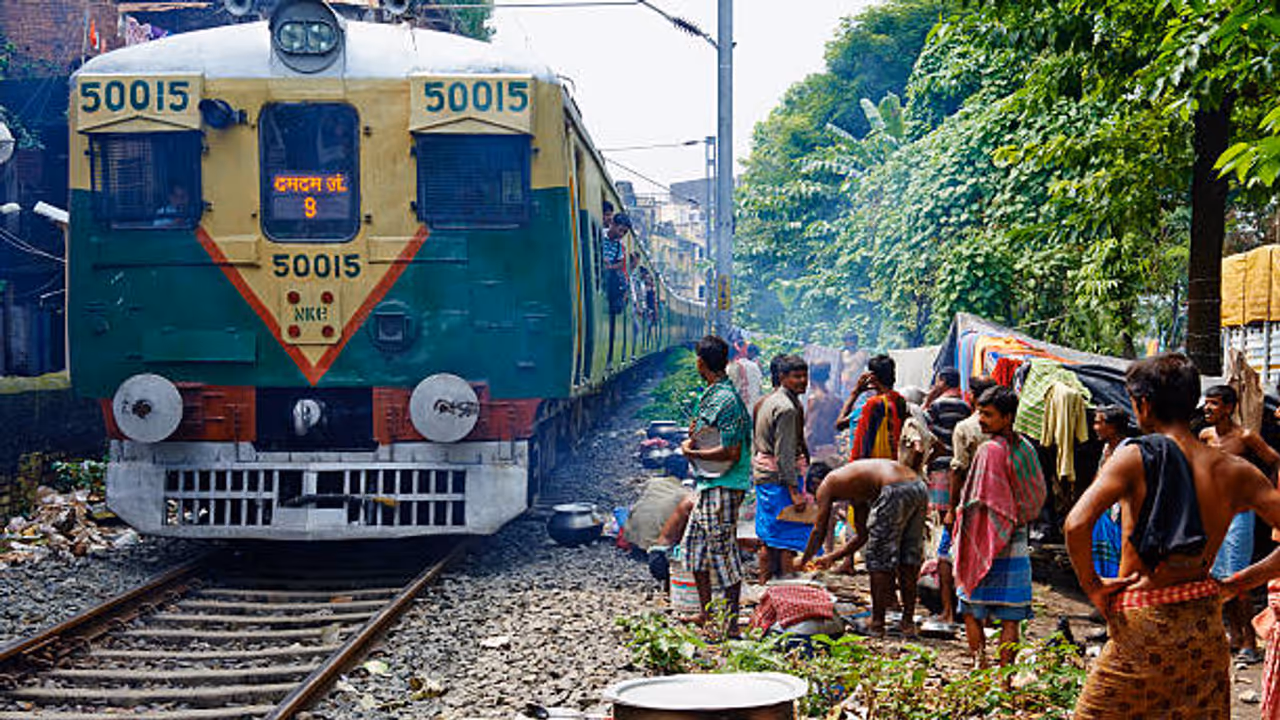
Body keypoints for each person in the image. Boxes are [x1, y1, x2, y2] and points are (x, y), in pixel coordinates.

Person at [1065, 353, 1280, 719]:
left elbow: (1076, 524)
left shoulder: (1134, 455)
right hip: (1204, 623)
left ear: (1143, 404)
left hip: (1142, 620)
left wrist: (1095, 587)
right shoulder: (1236, 470)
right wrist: (1238, 582)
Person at [954, 386, 1046, 670]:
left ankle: (981, 671)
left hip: (985, 540)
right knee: (1011, 615)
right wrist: (1015, 517)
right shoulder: (1027, 448)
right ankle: (1004, 679)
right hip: (1016, 539)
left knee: (971, 608)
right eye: (980, 412)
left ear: (1007, 417)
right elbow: (1037, 493)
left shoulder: (989, 451)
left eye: (988, 415)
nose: (981, 419)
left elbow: (976, 500)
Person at [799, 458, 928, 636]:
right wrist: (832, 557)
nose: (820, 501)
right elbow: (863, 535)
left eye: (816, 496)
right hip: (918, 487)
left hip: (894, 489)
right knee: (908, 559)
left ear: (815, 483)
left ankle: (877, 624)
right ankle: (907, 623)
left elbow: (818, 530)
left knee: (877, 559)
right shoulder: (856, 487)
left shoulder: (827, 484)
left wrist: (803, 561)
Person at [678, 335, 753, 633]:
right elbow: (701, 432)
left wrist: (693, 452)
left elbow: (732, 453)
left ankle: (731, 624)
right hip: (709, 484)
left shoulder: (727, 400)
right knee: (694, 548)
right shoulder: (714, 394)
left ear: (700, 362)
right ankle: (706, 614)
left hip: (724, 483)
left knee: (723, 552)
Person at [1201, 383, 1280, 664]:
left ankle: (1250, 642)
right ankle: (1234, 636)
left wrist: (1263, 496)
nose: (1207, 408)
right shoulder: (1206, 435)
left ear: (1229, 407)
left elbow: (1274, 460)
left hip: (1239, 516)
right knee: (1217, 577)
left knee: (1240, 578)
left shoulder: (1245, 437)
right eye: (1206, 403)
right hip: (1214, 514)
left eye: (1214, 403)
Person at [936, 376, 996, 624]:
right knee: (988, 555)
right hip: (995, 503)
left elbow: (957, 470)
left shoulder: (966, 428)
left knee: (944, 556)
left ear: (972, 396)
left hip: (968, 502)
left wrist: (951, 509)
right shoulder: (1005, 432)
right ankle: (986, 615)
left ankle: (949, 612)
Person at [752, 354, 812, 582]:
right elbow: (784, 454)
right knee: (787, 540)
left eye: (805, 375)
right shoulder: (786, 408)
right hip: (779, 478)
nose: (803, 380)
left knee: (770, 536)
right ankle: (785, 588)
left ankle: (765, 584)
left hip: (765, 474)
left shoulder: (770, 400)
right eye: (796, 376)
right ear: (782, 377)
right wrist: (795, 492)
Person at [839, 354, 908, 462]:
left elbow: (840, 424)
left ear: (872, 377)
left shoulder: (874, 404)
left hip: (874, 466)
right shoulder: (899, 400)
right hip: (894, 462)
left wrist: (855, 393)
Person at [1089, 406, 1130, 579]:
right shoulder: (1107, 449)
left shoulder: (1127, 451)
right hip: (1104, 509)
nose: (1095, 427)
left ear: (1113, 427)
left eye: (1099, 422)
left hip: (1120, 512)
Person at [602, 214, 629, 365]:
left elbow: (620, 264)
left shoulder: (619, 246)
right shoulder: (600, 236)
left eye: (624, 233)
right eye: (620, 230)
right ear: (612, 224)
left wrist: (610, 267)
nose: (621, 235)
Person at [806, 362, 843, 458]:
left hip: (817, 452)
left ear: (810, 379)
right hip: (832, 449)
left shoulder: (815, 400)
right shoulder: (836, 399)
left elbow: (810, 431)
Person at [837, 332, 869, 397]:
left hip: (858, 384)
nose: (849, 342)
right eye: (846, 340)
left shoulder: (863, 353)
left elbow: (870, 368)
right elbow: (839, 371)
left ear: (855, 341)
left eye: (851, 340)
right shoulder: (842, 354)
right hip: (845, 385)